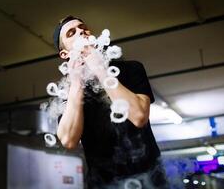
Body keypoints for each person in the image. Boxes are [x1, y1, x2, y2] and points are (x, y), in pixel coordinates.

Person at [53, 16, 169, 188]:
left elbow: (138, 116)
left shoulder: (131, 69)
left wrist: (97, 65)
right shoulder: (67, 94)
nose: (81, 32)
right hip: (103, 183)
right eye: (72, 33)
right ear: (65, 54)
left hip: (149, 180)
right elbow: (68, 140)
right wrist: (76, 81)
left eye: (83, 28)